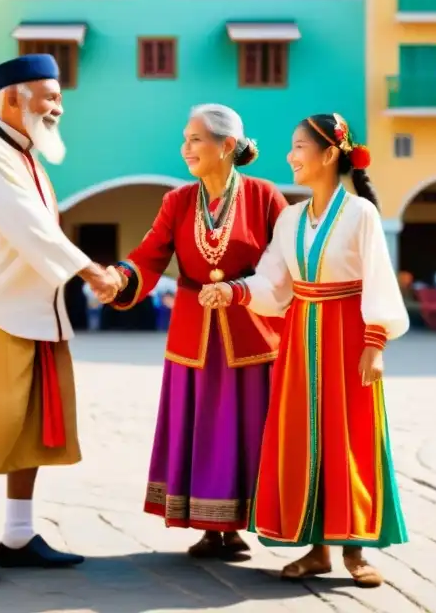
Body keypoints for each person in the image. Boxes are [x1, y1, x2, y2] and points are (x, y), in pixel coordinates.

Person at [0, 54, 121, 587]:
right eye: (48, 96)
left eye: (59, 96)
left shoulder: (31, 160)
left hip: (41, 312)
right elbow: (28, 225)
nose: (58, 106)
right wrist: (91, 271)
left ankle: (17, 534)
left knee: (35, 424)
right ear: (11, 99)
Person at [199, 113, 408, 586]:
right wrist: (231, 291)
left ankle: (356, 550)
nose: (290, 157)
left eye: (299, 147)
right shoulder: (291, 218)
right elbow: (275, 280)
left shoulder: (361, 214)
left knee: (349, 435)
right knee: (304, 435)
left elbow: (378, 279)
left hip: (348, 335)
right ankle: (317, 550)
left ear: (330, 154)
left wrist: (375, 344)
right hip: (299, 337)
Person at [102, 104, 286, 559]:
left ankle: (243, 522)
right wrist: (120, 278)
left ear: (226, 146)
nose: (185, 148)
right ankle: (207, 525)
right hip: (194, 336)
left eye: (195, 139)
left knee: (246, 429)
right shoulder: (177, 201)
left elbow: (288, 259)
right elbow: (149, 255)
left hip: (250, 330)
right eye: (184, 139)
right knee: (202, 427)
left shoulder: (264, 197)